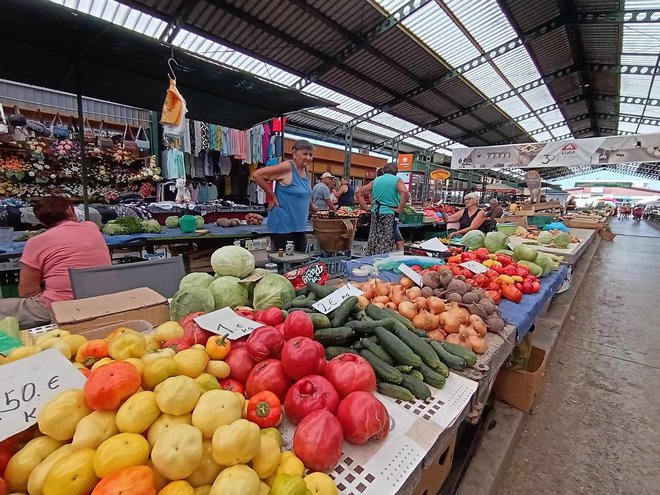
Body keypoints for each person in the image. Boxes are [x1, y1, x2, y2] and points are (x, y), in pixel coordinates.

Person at [0, 196, 111, 328]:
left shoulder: (36, 242)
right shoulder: (92, 227)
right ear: (70, 210)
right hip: (103, 300)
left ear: (41, 221)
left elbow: (26, 291)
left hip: (60, 307)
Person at [252, 139, 314, 252]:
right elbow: (257, 175)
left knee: (301, 259)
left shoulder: (306, 171)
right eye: (305, 154)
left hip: (299, 225)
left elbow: (305, 193)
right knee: (287, 262)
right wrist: (272, 196)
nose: (309, 158)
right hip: (283, 224)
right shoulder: (287, 167)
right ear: (294, 153)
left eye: (311, 155)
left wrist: (312, 206)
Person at [356, 163, 409, 255]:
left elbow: (358, 193)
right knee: (386, 241)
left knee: (374, 239)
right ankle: (383, 262)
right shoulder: (397, 180)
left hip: (375, 213)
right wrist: (400, 209)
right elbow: (405, 192)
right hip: (389, 214)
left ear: (384, 170)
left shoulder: (376, 180)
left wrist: (366, 208)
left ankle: (371, 259)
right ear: (396, 172)